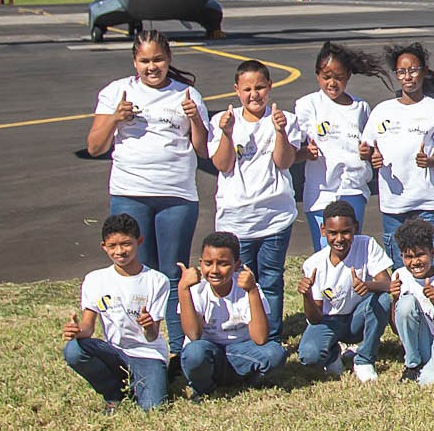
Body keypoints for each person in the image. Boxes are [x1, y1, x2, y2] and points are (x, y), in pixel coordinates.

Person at [85, 29, 206, 355]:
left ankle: (180, 350)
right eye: (145, 60)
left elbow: (204, 150)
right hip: (130, 192)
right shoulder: (116, 92)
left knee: (172, 276)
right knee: (137, 274)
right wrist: (114, 119)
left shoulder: (187, 94)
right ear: (134, 61)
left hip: (175, 195)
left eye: (158, 60)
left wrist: (196, 120)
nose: (152, 67)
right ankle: (140, 348)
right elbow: (95, 146)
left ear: (168, 60)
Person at [206, 60, 304, 341]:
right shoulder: (223, 121)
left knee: (271, 280)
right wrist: (226, 133)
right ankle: (245, 334)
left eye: (260, 87)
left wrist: (280, 131)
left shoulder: (284, 119)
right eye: (247, 89)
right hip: (236, 220)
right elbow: (223, 164)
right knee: (240, 281)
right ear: (236, 90)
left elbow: (284, 162)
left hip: (275, 217)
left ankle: (270, 337)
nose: (254, 95)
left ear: (270, 87)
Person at [62, 214, 172, 413]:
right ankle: (113, 393)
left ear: (139, 242)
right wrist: (77, 331)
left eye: (126, 244)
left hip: (147, 354)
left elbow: (152, 335)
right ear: (104, 246)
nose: (120, 251)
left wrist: (148, 325)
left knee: (153, 409)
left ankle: (144, 382)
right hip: (114, 352)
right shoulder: (95, 279)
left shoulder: (157, 280)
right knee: (73, 350)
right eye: (112, 246)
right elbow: (88, 326)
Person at [293, 42, 382, 252]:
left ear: (348, 76)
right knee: (326, 252)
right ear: (317, 75)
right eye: (326, 76)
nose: (332, 83)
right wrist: (305, 153)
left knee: (350, 249)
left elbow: (371, 146)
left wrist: (368, 153)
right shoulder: (308, 105)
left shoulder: (360, 107)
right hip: (321, 192)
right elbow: (292, 150)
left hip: (353, 188)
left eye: (339, 77)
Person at [367, 43, 434, 267]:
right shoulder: (382, 110)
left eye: (413, 70)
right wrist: (371, 156)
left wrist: (431, 161)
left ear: (424, 71)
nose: (408, 77)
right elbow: (366, 147)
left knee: (432, 264)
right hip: (394, 205)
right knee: (401, 267)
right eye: (402, 72)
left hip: (427, 202)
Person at [177, 231, 286, 397]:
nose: (214, 270)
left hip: (240, 352)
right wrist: (183, 289)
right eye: (208, 263)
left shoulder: (247, 287)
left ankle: (246, 381)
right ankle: (204, 389)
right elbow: (193, 335)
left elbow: (260, 338)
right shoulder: (196, 289)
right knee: (194, 353)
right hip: (208, 351)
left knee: (275, 353)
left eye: (223, 264)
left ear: (236, 265)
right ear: (200, 263)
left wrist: (252, 292)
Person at [297, 199, 394, 382]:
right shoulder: (314, 264)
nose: (339, 239)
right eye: (332, 233)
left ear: (355, 228)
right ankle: (333, 353)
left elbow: (388, 284)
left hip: (357, 317)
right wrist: (307, 295)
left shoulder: (366, 245)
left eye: (346, 232)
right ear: (323, 230)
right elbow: (315, 318)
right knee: (309, 356)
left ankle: (364, 359)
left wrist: (368, 286)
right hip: (329, 321)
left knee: (383, 300)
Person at [388, 217, 434, 385]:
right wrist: (395, 299)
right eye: (409, 257)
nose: (415, 262)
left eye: (420, 255)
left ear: (432, 253)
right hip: (421, 341)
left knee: (428, 381)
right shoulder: (400, 276)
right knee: (406, 303)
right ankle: (413, 364)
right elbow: (397, 328)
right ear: (402, 256)